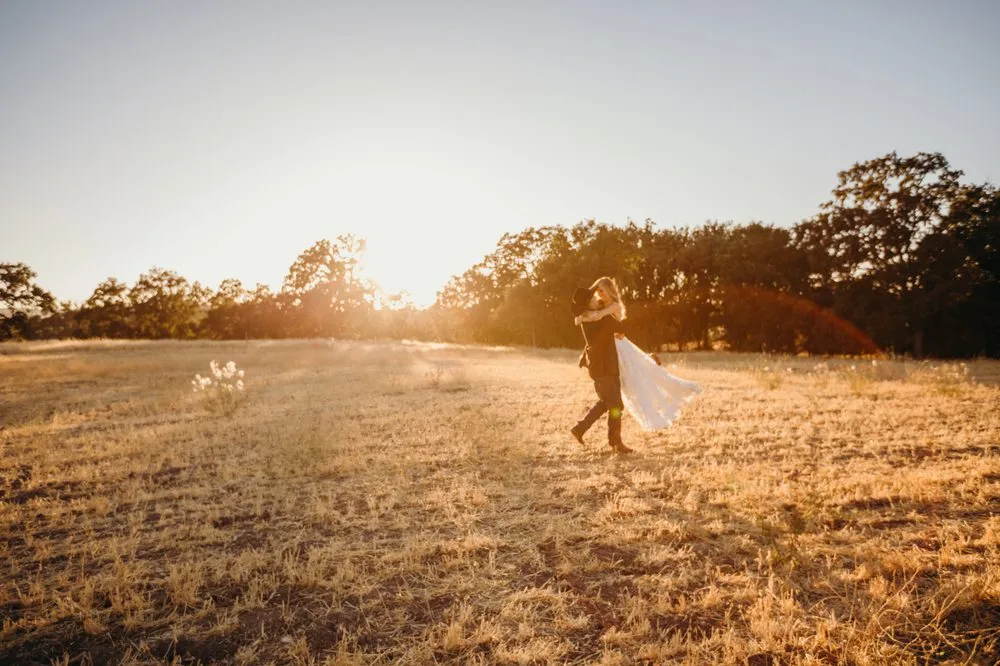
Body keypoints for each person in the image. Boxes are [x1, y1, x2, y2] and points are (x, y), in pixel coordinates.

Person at [572, 276, 702, 436]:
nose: (600, 295)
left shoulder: (614, 306)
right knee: (616, 395)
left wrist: (580, 318)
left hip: (618, 346)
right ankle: (598, 433)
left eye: (602, 292)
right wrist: (582, 317)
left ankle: (660, 372)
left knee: (637, 382)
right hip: (610, 350)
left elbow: (598, 318)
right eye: (598, 292)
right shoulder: (599, 305)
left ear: (609, 291)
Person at [570, 278, 634, 454]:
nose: (596, 298)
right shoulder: (602, 320)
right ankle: (615, 442)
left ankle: (580, 428)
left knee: (606, 402)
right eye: (593, 297)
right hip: (606, 367)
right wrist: (614, 309)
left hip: (597, 367)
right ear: (588, 303)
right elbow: (622, 327)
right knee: (615, 405)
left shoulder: (586, 319)